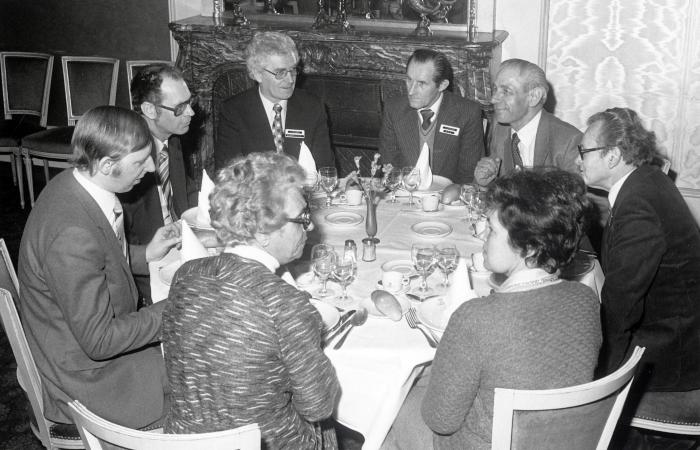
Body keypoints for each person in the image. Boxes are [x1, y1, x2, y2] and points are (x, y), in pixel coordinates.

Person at [383, 169, 601, 449]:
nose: (482, 233)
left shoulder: (476, 317)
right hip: (557, 441)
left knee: (391, 405)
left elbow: (440, 421)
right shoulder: (585, 299)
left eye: (492, 228)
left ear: (530, 247)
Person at [17, 106, 181, 430]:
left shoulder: (77, 183)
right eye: (139, 161)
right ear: (107, 164)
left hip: (79, 349)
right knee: (210, 382)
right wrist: (177, 308)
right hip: (86, 381)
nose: (150, 168)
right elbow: (100, 341)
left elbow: (100, 261)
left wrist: (145, 253)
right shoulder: (71, 234)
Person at [163, 152, 340, 449]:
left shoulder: (187, 274)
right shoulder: (287, 305)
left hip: (185, 441)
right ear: (263, 232)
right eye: (302, 218)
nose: (310, 228)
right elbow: (318, 406)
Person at [578, 107, 700, 445]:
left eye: (583, 151)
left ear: (613, 155)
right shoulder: (647, 181)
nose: (579, 161)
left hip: (671, 359)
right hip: (681, 332)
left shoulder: (636, 206)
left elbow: (621, 307)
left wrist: (597, 378)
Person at [120, 63, 197, 303]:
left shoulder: (171, 138)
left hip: (179, 243)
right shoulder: (125, 159)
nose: (191, 113)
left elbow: (185, 190)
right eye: (180, 107)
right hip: (146, 270)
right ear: (149, 110)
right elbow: (117, 250)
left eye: (190, 103)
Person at [214, 31, 335, 171]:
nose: (290, 80)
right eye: (280, 73)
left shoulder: (312, 107)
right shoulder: (234, 112)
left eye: (293, 70)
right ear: (258, 74)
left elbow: (326, 169)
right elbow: (228, 174)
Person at [379, 49, 485, 184]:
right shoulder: (394, 109)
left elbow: (468, 174)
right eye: (409, 80)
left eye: (421, 84)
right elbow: (389, 165)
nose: (411, 91)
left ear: (442, 85)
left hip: (447, 197)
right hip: (405, 194)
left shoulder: (467, 113)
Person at [474, 58, 581, 186]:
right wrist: (484, 184)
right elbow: (504, 190)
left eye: (506, 91)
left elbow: (582, 201)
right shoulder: (501, 130)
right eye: (495, 89)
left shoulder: (568, 141)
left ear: (534, 97)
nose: (493, 99)